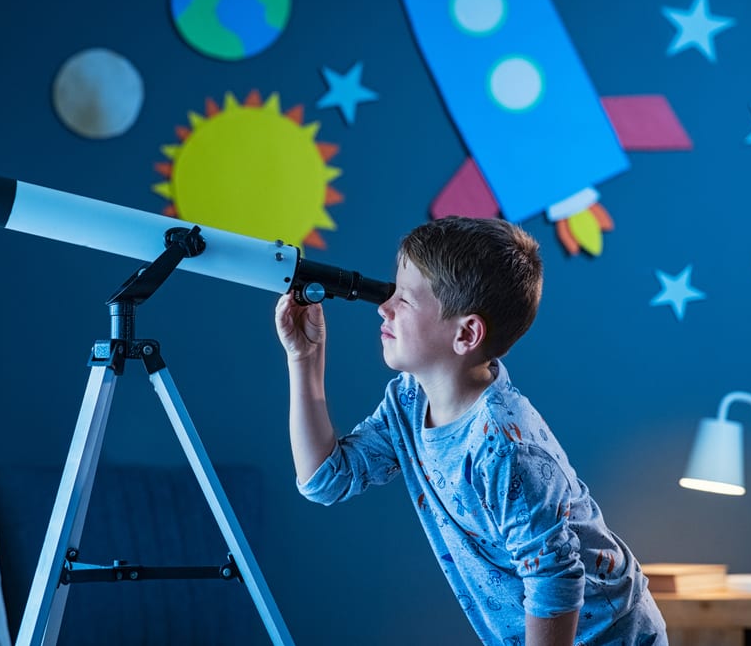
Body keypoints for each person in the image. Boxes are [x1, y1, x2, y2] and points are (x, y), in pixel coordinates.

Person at [274, 216, 666, 645]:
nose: (384, 307)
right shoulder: (409, 400)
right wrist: (304, 359)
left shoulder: (505, 450)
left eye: (405, 299)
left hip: (611, 636)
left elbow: (554, 579)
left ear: (466, 334)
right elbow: (326, 480)